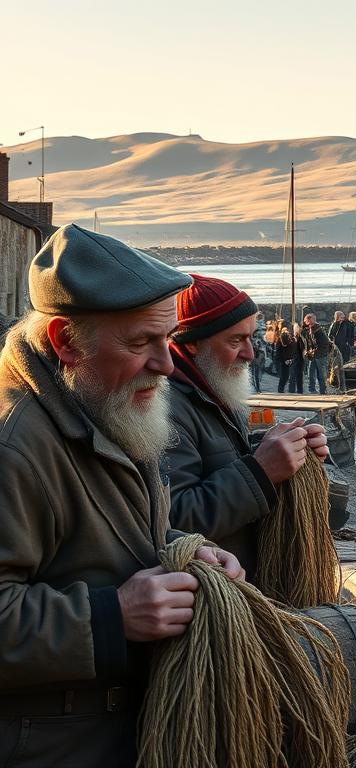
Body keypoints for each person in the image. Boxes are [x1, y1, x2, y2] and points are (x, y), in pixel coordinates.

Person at [0, 224, 242, 766]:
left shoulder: (100, 401)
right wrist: (113, 616)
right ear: (66, 341)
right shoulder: (15, 445)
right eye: (141, 343)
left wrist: (187, 547)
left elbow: (113, 526)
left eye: (168, 338)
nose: (166, 363)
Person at [165, 275, 329, 577]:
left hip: (244, 581)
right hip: (214, 594)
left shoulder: (212, 386)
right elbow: (173, 517)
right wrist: (262, 470)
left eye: (251, 337)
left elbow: (221, 457)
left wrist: (285, 448)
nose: (251, 354)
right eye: (235, 340)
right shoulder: (166, 408)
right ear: (192, 345)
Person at [302, 312, 332, 394]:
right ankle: (312, 389)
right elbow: (309, 343)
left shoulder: (319, 331)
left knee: (321, 375)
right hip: (313, 356)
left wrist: (314, 351)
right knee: (311, 374)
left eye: (306, 321)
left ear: (310, 320)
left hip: (321, 356)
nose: (305, 322)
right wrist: (308, 351)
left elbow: (325, 344)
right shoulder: (310, 330)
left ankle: (323, 391)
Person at [274, 319, 297, 392]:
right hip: (286, 358)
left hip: (287, 358)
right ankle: (284, 390)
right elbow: (282, 348)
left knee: (286, 376)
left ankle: (283, 390)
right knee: (286, 376)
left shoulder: (281, 337)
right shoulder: (284, 337)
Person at [250, 312, 266, 393]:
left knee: (253, 370)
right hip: (260, 351)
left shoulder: (253, 325)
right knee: (258, 369)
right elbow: (264, 340)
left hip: (255, 350)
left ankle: (255, 387)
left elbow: (252, 338)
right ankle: (257, 387)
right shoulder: (263, 326)